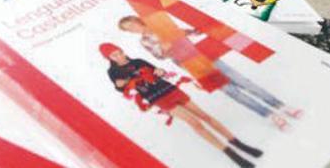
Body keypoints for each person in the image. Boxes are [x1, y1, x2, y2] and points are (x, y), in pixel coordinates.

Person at [118, 15, 302, 130]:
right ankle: (269, 115)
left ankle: (280, 106)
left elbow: (187, 32)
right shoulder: (144, 41)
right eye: (129, 29)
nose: (133, 29)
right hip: (188, 64)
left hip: (201, 54)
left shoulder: (160, 24)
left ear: (137, 20)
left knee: (241, 81)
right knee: (230, 90)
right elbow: (160, 57)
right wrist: (165, 47)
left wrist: (197, 28)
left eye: (132, 24)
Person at [101, 43, 262, 168]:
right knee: (195, 123)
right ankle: (232, 154)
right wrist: (123, 83)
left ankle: (238, 143)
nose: (119, 55)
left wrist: (159, 71)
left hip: (169, 89)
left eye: (119, 51)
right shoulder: (113, 72)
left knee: (205, 116)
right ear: (110, 58)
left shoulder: (138, 61)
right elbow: (120, 87)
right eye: (114, 55)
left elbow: (160, 71)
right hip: (157, 98)